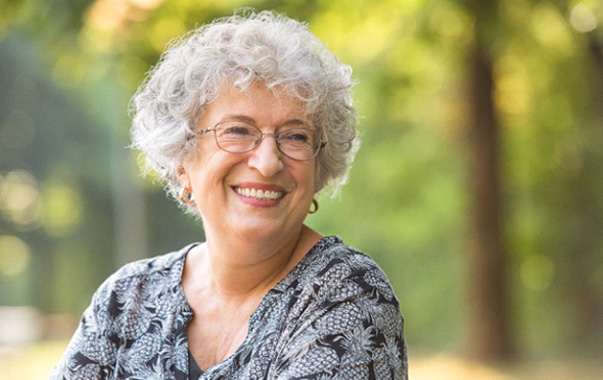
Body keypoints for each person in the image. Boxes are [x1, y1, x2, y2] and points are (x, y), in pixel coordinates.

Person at [51, 10, 408, 380]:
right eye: (238, 130)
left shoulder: (348, 294)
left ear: (319, 169)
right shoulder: (126, 300)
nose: (268, 162)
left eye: (295, 136)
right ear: (182, 161)